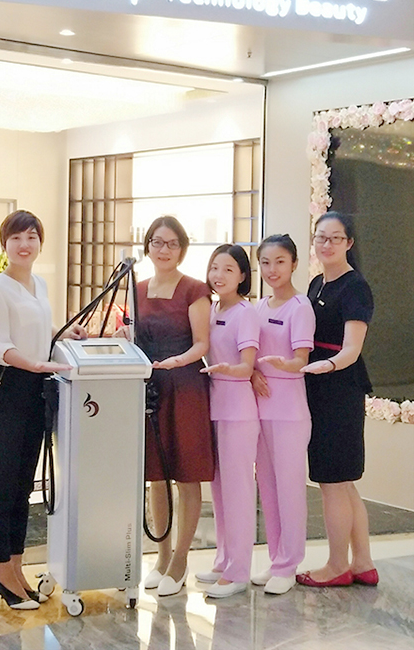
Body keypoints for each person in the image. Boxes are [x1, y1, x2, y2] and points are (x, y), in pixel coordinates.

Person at [0, 210, 83, 609]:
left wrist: (63, 335)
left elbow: (39, 332)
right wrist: (36, 364)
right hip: (5, 388)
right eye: (16, 238)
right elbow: (1, 345)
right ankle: (1, 572)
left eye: (32, 237)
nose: (25, 244)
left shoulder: (39, 284)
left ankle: (16, 569)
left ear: (40, 242)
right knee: (2, 484)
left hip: (36, 388)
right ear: (4, 244)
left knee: (24, 485)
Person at [297, 211, 377, 587]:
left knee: (333, 482)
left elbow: (351, 350)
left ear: (349, 243)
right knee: (344, 483)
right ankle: (362, 563)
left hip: (339, 390)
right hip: (319, 386)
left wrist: (324, 366)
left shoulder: (355, 287)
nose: (326, 244)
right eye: (320, 237)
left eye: (335, 238)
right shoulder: (317, 284)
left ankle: (336, 565)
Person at [134, 216, 213, 597]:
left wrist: (178, 362)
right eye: (157, 242)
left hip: (185, 386)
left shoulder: (195, 289)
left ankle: (181, 559)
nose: (163, 250)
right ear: (147, 246)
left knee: (186, 474)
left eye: (171, 243)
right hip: (150, 388)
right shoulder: (137, 288)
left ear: (182, 248)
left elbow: (202, 343)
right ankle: (161, 556)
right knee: (156, 475)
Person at [249, 234, 315, 595]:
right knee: (268, 486)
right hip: (259, 406)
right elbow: (249, 356)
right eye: (265, 262)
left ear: (293, 264)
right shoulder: (259, 307)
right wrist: (254, 373)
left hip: (289, 409)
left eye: (279, 262)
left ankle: (289, 564)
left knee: (290, 488)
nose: (271, 269)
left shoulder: (300, 307)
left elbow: (301, 360)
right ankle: (276, 559)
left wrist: (278, 364)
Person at [198, 244, 259, 599]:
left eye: (228, 269)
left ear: (242, 276)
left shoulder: (245, 313)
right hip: (215, 405)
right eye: (214, 268)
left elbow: (247, 367)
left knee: (238, 491)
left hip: (238, 409)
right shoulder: (212, 308)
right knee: (219, 490)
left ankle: (239, 571)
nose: (218, 275)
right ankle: (223, 560)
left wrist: (225, 369)